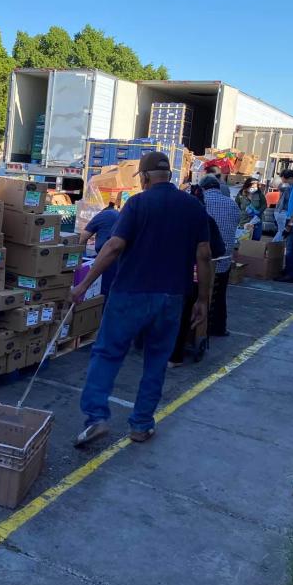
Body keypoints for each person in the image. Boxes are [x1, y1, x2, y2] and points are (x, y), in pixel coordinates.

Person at [71, 151, 212, 445]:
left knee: (107, 353)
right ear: (169, 176)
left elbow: (113, 247)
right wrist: (202, 301)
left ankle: (96, 418)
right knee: (156, 360)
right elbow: (204, 256)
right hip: (173, 296)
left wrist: (84, 284)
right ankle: (141, 425)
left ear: (145, 177)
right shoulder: (193, 207)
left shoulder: (137, 203)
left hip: (130, 294)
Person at [169, 186, 224, 367]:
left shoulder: (175, 218)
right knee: (185, 314)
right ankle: (174, 357)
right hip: (192, 275)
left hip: (169, 273)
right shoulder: (205, 220)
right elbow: (214, 251)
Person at [199, 176, 240, 337]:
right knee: (220, 293)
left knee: (198, 295)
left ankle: (197, 329)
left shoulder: (200, 202)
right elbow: (235, 225)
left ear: (203, 188)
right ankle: (218, 328)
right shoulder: (232, 204)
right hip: (224, 259)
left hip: (203, 260)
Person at [79, 202, 121, 299]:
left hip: (108, 259)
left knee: (101, 293)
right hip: (122, 260)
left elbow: (82, 238)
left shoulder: (103, 215)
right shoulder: (119, 215)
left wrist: (81, 260)